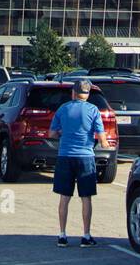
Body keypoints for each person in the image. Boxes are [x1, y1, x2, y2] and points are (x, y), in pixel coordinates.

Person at [47, 79, 112, 248]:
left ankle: (62, 235)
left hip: (65, 156)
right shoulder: (93, 110)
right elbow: (101, 136)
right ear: (88, 94)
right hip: (85, 157)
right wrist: (106, 145)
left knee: (64, 198)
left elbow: (52, 133)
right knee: (86, 198)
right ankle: (86, 235)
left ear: (73, 93)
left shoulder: (63, 109)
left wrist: (63, 131)